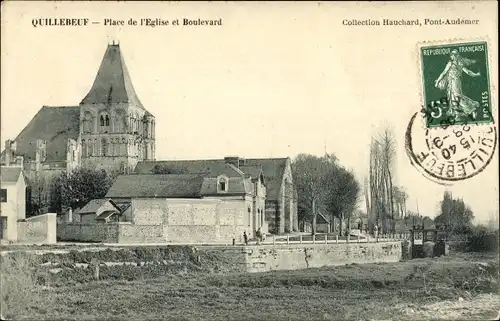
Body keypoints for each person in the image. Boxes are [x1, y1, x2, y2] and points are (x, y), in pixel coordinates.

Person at [434, 49, 481, 118]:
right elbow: (444, 73)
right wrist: (438, 81)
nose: (453, 56)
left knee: (457, 96)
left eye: (455, 55)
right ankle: (457, 113)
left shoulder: (456, 63)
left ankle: (470, 108)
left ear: (457, 55)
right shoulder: (455, 63)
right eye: (452, 55)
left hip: (455, 82)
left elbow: (467, 72)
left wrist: (476, 75)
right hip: (452, 82)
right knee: (452, 97)